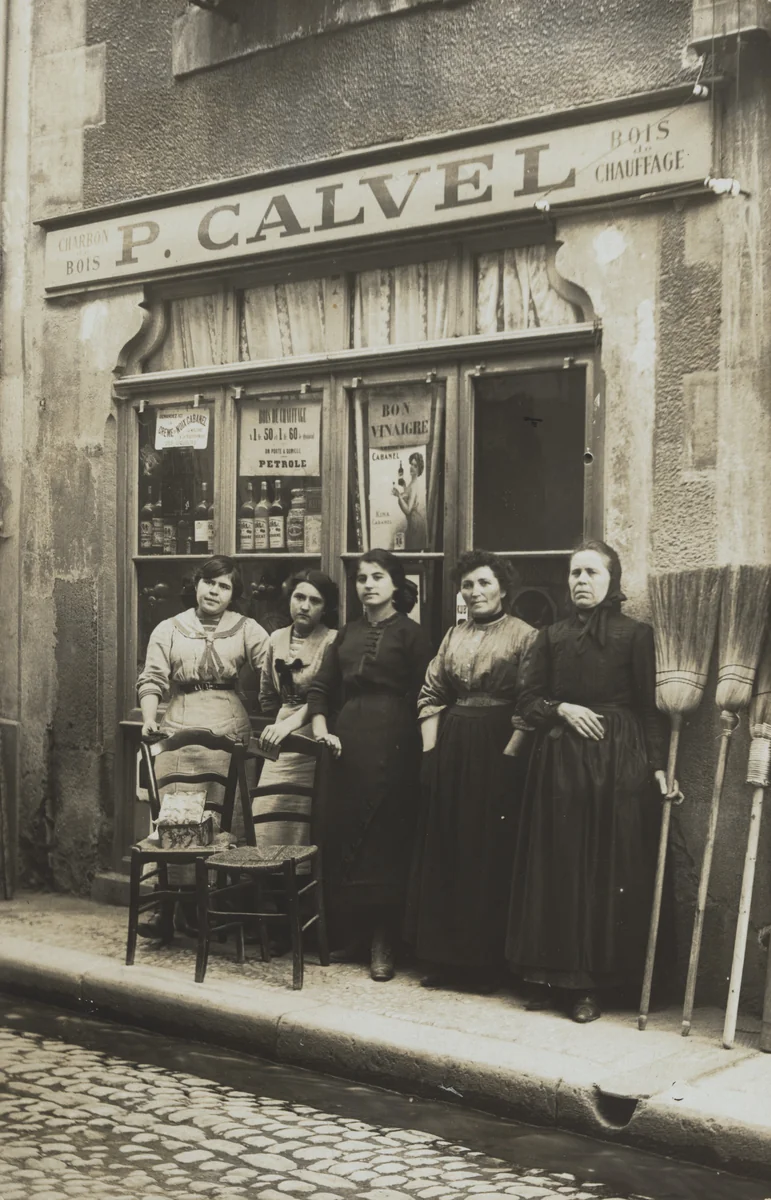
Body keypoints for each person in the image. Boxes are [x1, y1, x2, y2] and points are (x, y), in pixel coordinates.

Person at [505, 540, 679, 1023]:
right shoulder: (551, 637)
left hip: (618, 764)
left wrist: (657, 766)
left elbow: (649, 708)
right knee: (560, 868)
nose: (581, 581)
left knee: (607, 871)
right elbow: (526, 702)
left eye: (591, 573)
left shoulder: (636, 635)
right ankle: (553, 975)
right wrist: (561, 707)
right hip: (560, 767)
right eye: (574, 573)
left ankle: (592, 987)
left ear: (612, 581)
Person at [405, 550, 536, 993]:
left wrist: (509, 758)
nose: (475, 592)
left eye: (484, 583)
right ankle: (447, 960)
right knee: (449, 847)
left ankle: (486, 966)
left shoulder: (525, 637)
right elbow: (431, 693)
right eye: (468, 585)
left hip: (499, 746)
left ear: (502, 587)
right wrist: (431, 755)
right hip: (454, 745)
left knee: (488, 852)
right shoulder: (453, 635)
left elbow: (529, 705)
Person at [308, 549, 432, 982]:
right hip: (345, 746)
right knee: (346, 836)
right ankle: (356, 935)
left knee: (385, 838)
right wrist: (323, 731)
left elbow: (426, 695)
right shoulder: (345, 634)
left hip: (395, 743)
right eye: (362, 578)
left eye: (377, 577)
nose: (369, 585)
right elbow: (322, 689)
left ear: (395, 584)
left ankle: (384, 942)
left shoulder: (413, 635)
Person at [136, 556, 269, 935]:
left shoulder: (247, 629)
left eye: (224, 586)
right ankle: (168, 904)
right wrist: (149, 717)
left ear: (233, 594)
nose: (215, 591)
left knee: (225, 816)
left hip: (228, 726)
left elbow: (272, 666)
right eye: (209, 582)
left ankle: (217, 907)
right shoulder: (169, 628)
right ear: (196, 585)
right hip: (179, 723)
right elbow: (152, 679)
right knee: (177, 815)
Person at [255, 570, 339, 845]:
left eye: (314, 601)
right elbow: (267, 692)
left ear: (325, 607)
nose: (304, 605)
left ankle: (299, 879)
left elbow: (323, 696)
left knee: (303, 817)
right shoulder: (275, 638)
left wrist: (288, 723)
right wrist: (279, 719)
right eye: (298, 597)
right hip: (278, 738)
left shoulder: (333, 641)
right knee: (266, 810)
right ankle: (268, 880)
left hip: (315, 731)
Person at [392, 451, 428, 551]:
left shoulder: (414, 485)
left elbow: (408, 509)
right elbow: (408, 499)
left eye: (415, 466)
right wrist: (403, 486)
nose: (412, 467)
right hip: (412, 523)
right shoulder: (412, 482)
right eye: (411, 464)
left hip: (416, 525)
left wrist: (398, 495)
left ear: (419, 469)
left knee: (412, 550)